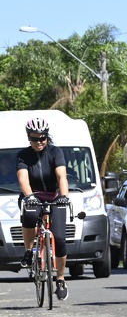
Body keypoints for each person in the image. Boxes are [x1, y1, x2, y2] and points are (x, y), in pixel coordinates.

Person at [16, 118, 71, 300]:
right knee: (30, 216)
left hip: (54, 196)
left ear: (47, 137)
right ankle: (29, 251)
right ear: (28, 137)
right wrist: (29, 197)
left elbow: (62, 176)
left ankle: (61, 279)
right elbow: (23, 180)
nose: (39, 142)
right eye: (34, 138)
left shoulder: (56, 152)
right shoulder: (23, 155)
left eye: (42, 138)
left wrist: (64, 197)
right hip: (33, 196)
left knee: (61, 239)